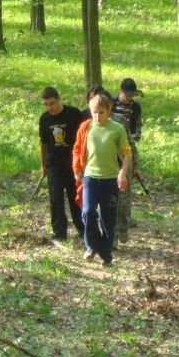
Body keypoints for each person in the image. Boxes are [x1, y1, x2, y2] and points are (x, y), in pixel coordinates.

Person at [72, 92, 131, 267]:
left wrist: (123, 173)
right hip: (90, 177)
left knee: (108, 218)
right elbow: (77, 148)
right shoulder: (85, 127)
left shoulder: (117, 129)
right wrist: (77, 169)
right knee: (88, 211)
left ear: (109, 110)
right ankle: (92, 246)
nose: (97, 116)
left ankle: (106, 255)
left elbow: (127, 154)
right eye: (94, 112)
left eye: (101, 112)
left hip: (110, 179)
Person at [38, 86, 85, 242]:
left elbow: (84, 136)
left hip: (73, 163)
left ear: (59, 99)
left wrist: (83, 161)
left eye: (52, 103)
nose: (49, 107)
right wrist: (43, 165)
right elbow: (44, 143)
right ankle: (59, 234)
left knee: (75, 197)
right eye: (46, 104)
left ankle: (83, 229)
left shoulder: (73, 113)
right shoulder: (44, 119)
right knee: (56, 197)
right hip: (54, 164)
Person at [111, 78, 142, 243]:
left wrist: (135, 163)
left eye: (132, 95)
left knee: (124, 198)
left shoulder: (135, 108)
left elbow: (136, 129)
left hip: (126, 153)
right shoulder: (111, 104)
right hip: (109, 157)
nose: (130, 97)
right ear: (120, 91)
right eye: (127, 94)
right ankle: (113, 234)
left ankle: (124, 227)